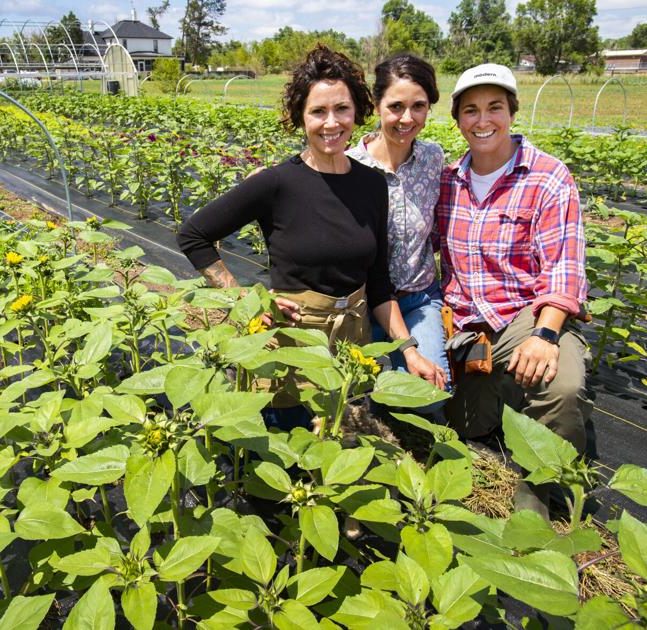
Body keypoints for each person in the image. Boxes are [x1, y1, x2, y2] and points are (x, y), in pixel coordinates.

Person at [177, 44, 413, 431]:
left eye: (342, 109)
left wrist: (407, 348)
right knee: (287, 450)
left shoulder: (372, 184)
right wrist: (247, 301)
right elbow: (194, 235)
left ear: (357, 112)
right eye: (318, 111)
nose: (331, 123)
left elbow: (380, 283)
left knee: (339, 447)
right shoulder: (276, 183)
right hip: (293, 341)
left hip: (352, 340)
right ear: (300, 117)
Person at [436, 63, 592, 516]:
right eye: (470, 110)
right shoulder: (448, 181)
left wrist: (544, 337)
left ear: (512, 111)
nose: (483, 120)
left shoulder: (547, 176)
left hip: (524, 315)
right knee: (466, 426)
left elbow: (565, 265)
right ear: (458, 119)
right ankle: (497, 392)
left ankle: (537, 493)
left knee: (559, 385)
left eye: (494, 107)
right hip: (466, 325)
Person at [345, 53, 448, 402]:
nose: (407, 118)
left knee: (425, 400)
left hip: (418, 301)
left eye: (418, 106)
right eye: (396, 106)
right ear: (376, 105)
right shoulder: (349, 167)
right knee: (351, 397)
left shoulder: (433, 158)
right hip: (363, 307)